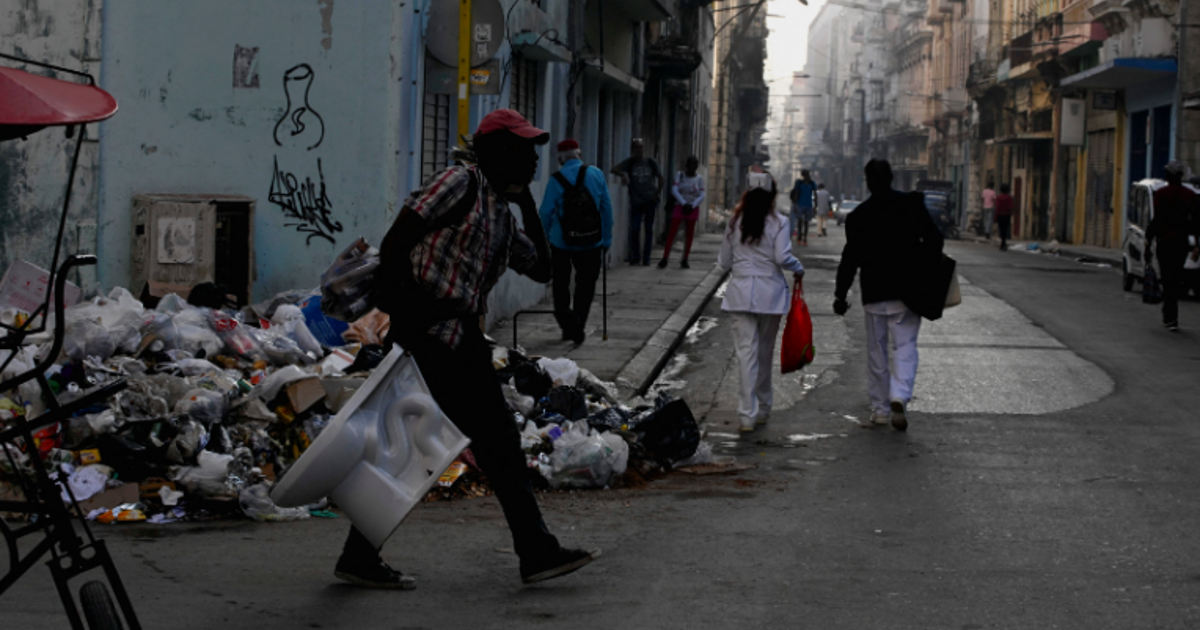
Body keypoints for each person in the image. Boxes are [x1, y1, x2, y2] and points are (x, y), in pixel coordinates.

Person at [361, 109, 599, 589]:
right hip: (429, 336)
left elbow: (541, 270)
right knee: (490, 444)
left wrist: (530, 205)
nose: (533, 161)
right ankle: (534, 550)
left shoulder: (500, 213)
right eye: (524, 150)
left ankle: (360, 554)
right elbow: (396, 242)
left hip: (460, 340)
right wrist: (408, 318)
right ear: (497, 152)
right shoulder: (458, 183)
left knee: (413, 447)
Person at [833, 159, 943, 431]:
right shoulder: (911, 205)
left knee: (877, 353)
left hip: (874, 293)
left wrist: (840, 294)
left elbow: (850, 258)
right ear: (892, 177)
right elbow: (935, 239)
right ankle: (900, 395)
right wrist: (923, 265)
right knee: (905, 347)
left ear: (868, 181)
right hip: (907, 292)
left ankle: (881, 410)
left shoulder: (859, 216)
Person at [718, 177, 805, 433]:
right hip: (770, 295)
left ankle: (747, 415)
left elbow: (723, 262)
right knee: (764, 354)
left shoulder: (734, 222)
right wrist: (798, 269)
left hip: (740, 292)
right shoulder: (779, 222)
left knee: (746, 355)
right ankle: (764, 408)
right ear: (772, 195)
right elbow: (782, 256)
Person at [539, 139, 613, 345]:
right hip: (592, 241)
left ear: (561, 157)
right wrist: (606, 239)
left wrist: (543, 238)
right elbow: (606, 208)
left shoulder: (556, 179)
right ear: (578, 153)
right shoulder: (596, 174)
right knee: (586, 286)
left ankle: (567, 325)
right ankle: (578, 324)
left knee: (561, 285)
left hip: (561, 242)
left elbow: (545, 212)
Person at [1145, 159, 1200, 332]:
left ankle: (1170, 314)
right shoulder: (1189, 195)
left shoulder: (1162, 194)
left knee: (1167, 277)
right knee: (1175, 278)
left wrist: (1149, 238)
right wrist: (1197, 244)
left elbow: (1158, 218)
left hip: (1165, 242)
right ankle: (1171, 314)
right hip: (1181, 243)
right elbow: (1196, 222)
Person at [612, 139, 664, 266]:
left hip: (650, 200)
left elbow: (660, 177)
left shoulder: (651, 162)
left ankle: (646, 258)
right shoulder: (630, 163)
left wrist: (657, 193)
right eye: (637, 147)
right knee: (635, 229)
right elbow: (613, 169)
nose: (639, 150)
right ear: (633, 150)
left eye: (641, 147)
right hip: (636, 201)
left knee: (648, 229)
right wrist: (623, 175)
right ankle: (636, 256)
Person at [658, 156, 706, 269]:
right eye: (690, 165)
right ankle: (665, 258)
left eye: (694, 165)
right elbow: (674, 190)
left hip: (692, 209)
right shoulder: (680, 176)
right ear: (686, 166)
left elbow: (702, 195)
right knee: (672, 233)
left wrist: (692, 205)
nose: (692, 168)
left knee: (689, 235)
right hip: (679, 207)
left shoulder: (699, 179)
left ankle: (685, 259)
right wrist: (684, 203)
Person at [790, 170, 816, 245]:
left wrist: (815, 206)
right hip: (800, 204)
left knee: (806, 222)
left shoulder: (812, 183)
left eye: (807, 175)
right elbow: (796, 194)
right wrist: (795, 205)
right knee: (800, 222)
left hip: (809, 205)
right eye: (805, 175)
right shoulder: (799, 183)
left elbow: (815, 195)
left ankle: (805, 239)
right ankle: (799, 237)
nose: (806, 176)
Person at [995, 183, 1013, 251]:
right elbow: (1011, 206)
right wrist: (1010, 213)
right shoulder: (1009, 198)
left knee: (1001, 229)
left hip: (1000, 215)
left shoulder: (999, 197)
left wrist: (995, 217)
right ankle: (1004, 242)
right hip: (1007, 215)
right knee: (1005, 229)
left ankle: (1003, 243)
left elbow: (998, 207)